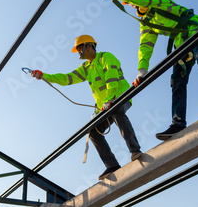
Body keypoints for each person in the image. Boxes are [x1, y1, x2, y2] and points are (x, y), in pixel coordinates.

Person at [101, 0, 198, 140]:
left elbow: (145, 1)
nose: (133, 3)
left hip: (194, 26)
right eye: (130, 1)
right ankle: (178, 123)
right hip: (181, 41)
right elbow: (145, 46)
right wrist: (142, 70)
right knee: (177, 80)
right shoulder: (146, 21)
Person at [31, 35, 143, 180]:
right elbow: (67, 78)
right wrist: (44, 76)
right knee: (93, 132)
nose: (78, 52)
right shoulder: (86, 68)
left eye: (79, 48)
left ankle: (135, 150)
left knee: (117, 110)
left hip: (120, 97)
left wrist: (109, 100)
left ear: (89, 46)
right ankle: (112, 165)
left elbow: (112, 79)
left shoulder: (106, 58)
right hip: (105, 106)